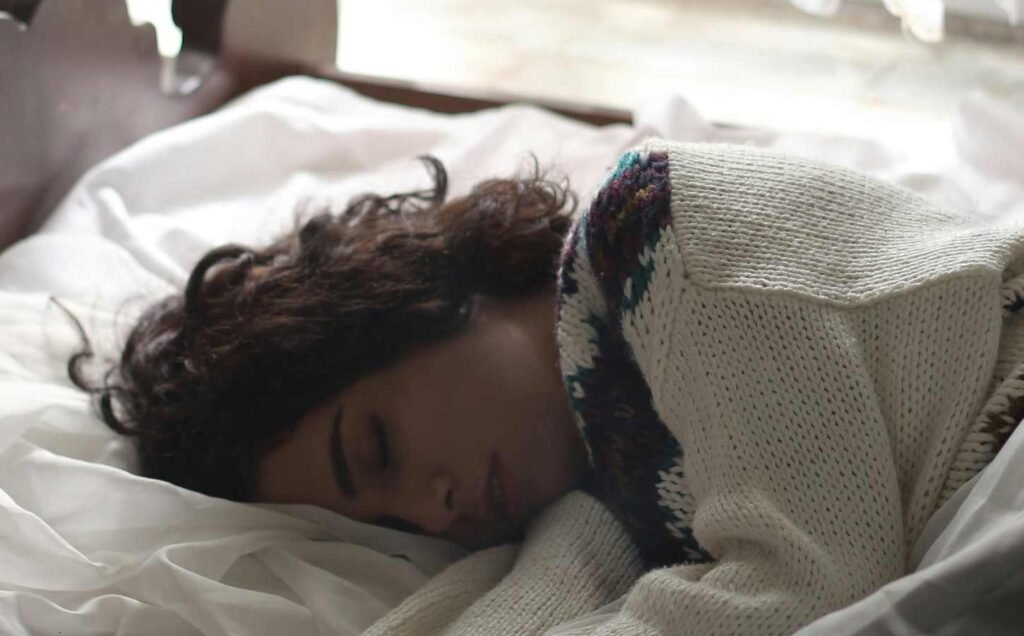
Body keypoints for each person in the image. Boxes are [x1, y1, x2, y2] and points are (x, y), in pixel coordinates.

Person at [69, 139, 1024, 635]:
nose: (432, 510)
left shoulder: (653, 239)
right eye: (400, 528)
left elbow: (810, 582)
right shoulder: (600, 443)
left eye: (379, 451)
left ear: (416, 300)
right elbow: (540, 593)